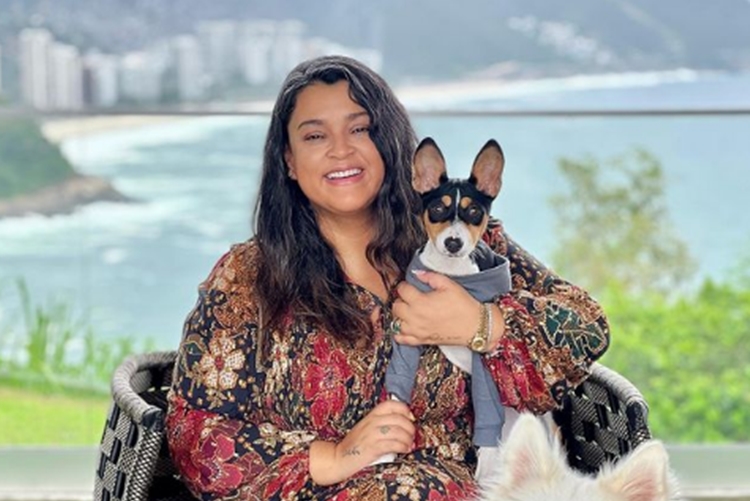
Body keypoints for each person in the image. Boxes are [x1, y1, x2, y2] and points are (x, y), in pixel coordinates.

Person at [165, 55, 610, 501]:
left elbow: (587, 328)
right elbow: (195, 434)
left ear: (390, 143)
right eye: (315, 136)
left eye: (360, 129)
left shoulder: (463, 242)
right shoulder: (249, 276)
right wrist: (335, 455)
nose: (341, 149)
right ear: (290, 162)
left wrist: (480, 324)